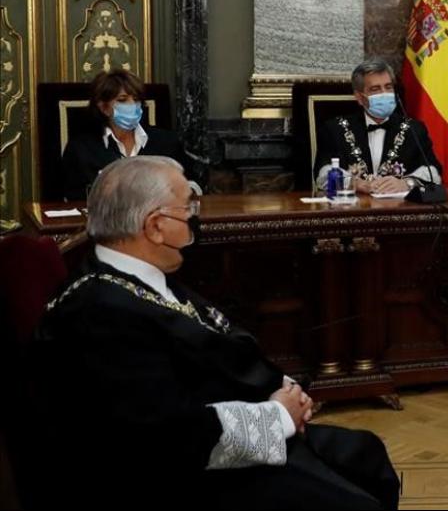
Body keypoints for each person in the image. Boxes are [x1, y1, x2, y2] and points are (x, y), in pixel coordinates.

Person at [30, 156, 400, 508]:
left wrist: (285, 393)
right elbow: (166, 436)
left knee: (366, 457)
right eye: (188, 209)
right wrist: (278, 416)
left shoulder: (135, 273)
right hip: (169, 479)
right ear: (155, 226)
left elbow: (219, 344)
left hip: (227, 429)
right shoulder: (96, 315)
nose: (194, 218)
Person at [313, 57, 441, 195]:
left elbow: (433, 172)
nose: (384, 94)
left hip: (399, 209)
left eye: (388, 87)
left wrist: (406, 183)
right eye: (375, 89)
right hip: (352, 208)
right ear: (359, 97)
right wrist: (355, 183)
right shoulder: (334, 129)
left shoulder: (414, 129)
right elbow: (323, 174)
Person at [60, 70, 190, 200]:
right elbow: (73, 197)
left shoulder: (167, 142)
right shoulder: (81, 149)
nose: (132, 105)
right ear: (104, 108)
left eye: (136, 99)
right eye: (122, 100)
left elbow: (190, 185)